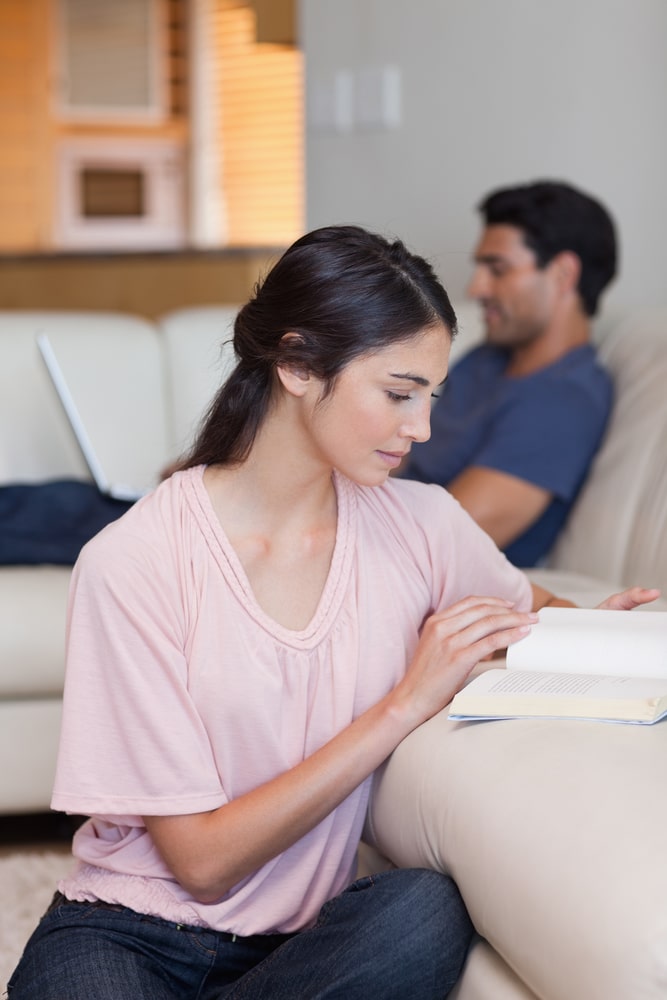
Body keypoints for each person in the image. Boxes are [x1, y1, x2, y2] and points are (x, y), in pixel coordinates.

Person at [7, 225, 657, 1000]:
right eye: (396, 393)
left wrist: (603, 625)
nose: (418, 428)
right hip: (129, 938)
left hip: (300, 950)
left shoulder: (422, 524)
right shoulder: (135, 561)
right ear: (296, 364)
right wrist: (404, 704)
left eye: (430, 398)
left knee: (421, 911)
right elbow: (203, 864)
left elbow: (527, 609)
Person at [401, 180, 617, 567]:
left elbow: (447, 540)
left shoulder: (563, 400)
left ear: (564, 273)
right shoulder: (485, 360)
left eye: (496, 269)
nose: (476, 288)